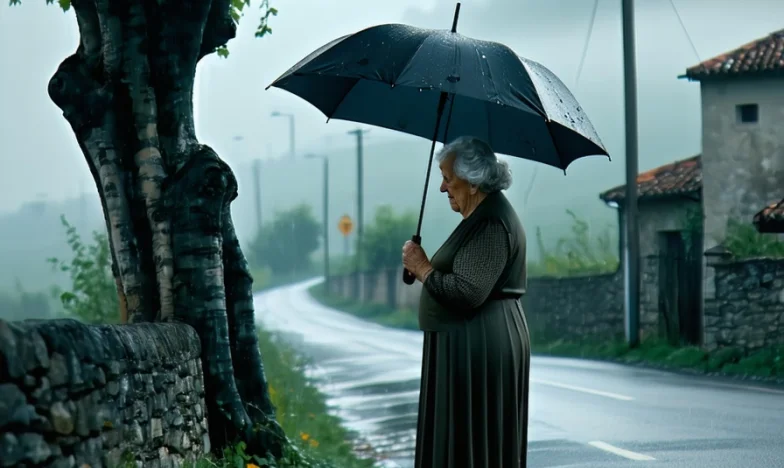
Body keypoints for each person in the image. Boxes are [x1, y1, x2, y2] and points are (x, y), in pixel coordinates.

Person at [402, 136, 530, 468]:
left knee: (472, 444)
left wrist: (423, 268)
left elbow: (467, 292)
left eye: (448, 178)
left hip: (478, 347)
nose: (443, 188)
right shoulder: (482, 216)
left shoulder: (490, 222)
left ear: (472, 182)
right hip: (467, 344)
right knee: (460, 440)